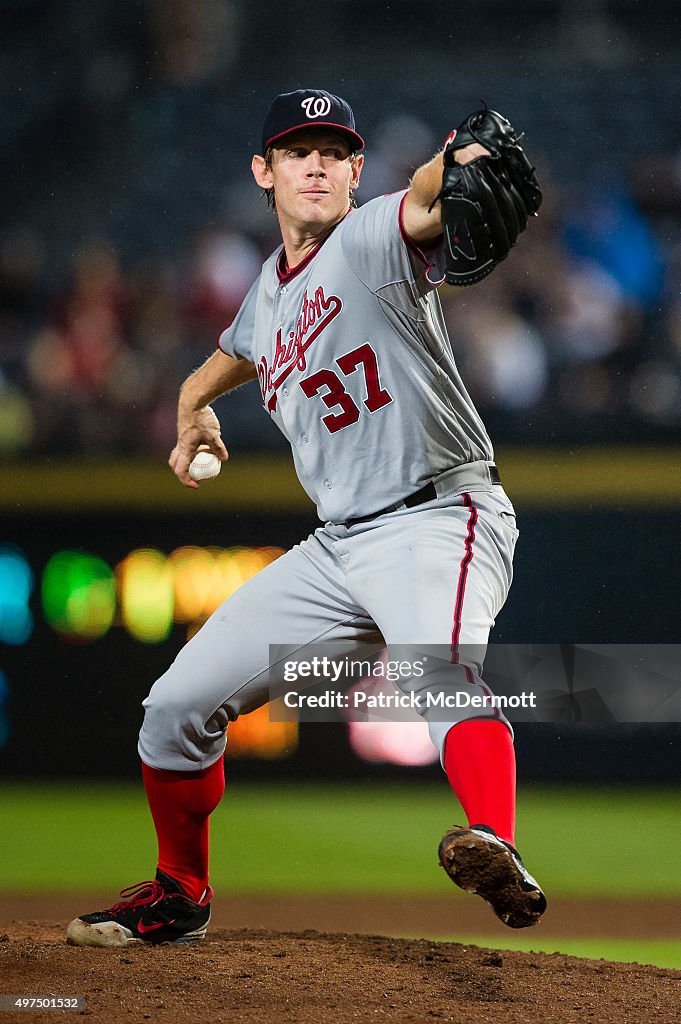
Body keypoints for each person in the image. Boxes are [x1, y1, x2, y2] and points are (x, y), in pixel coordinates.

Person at [67, 88, 546, 948]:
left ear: (357, 172)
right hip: (335, 550)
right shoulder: (268, 289)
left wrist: (456, 161)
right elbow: (237, 347)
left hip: (438, 517)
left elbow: (429, 196)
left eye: (334, 151)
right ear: (265, 172)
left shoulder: (369, 237)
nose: (317, 163)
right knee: (174, 707)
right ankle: (180, 892)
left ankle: (495, 843)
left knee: (437, 675)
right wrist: (191, 402)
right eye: (297, 150)